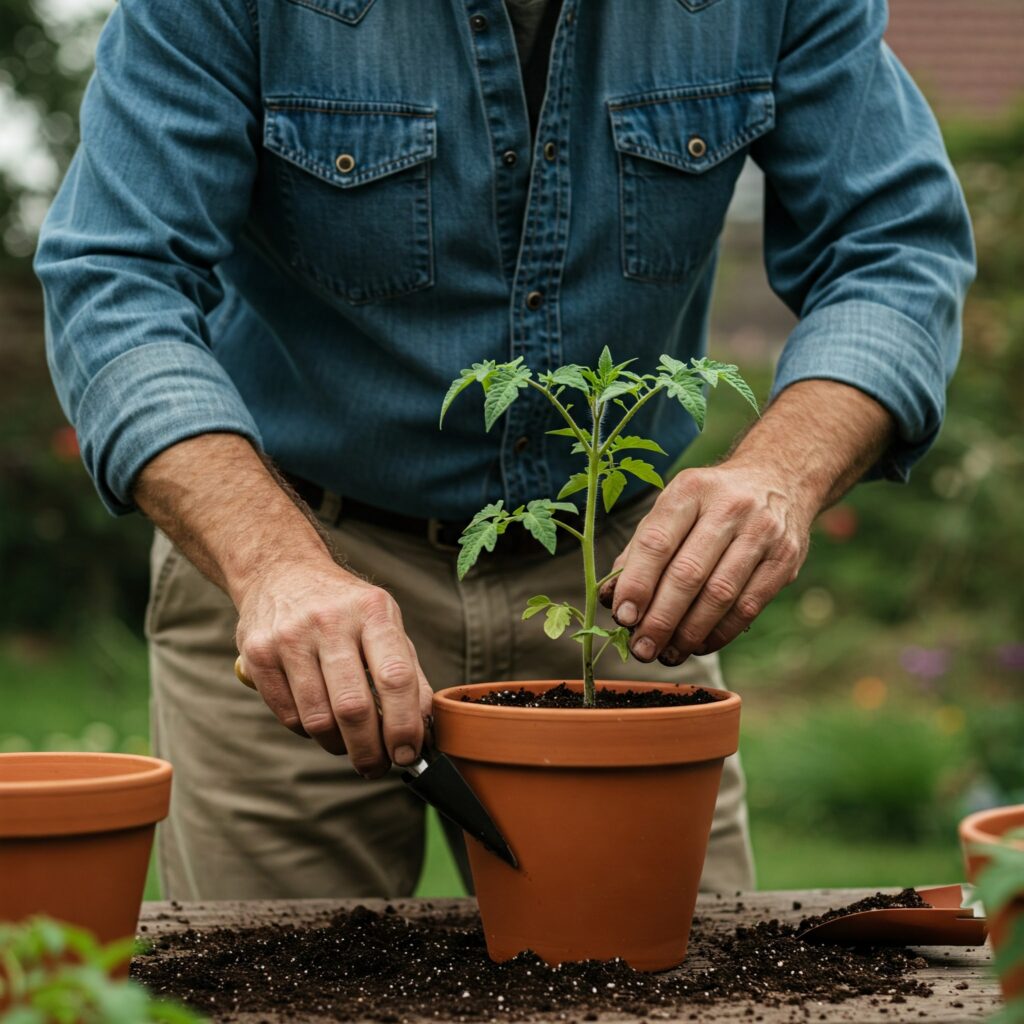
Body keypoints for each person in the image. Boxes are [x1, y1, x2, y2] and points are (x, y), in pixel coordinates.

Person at [34, 0, 974, 901]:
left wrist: (781, 472)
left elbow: (893, 245)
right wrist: (274, 567)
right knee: (277, 979)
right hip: (296, 583)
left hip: (621, 588)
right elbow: (117, 277)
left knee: (666, 979)